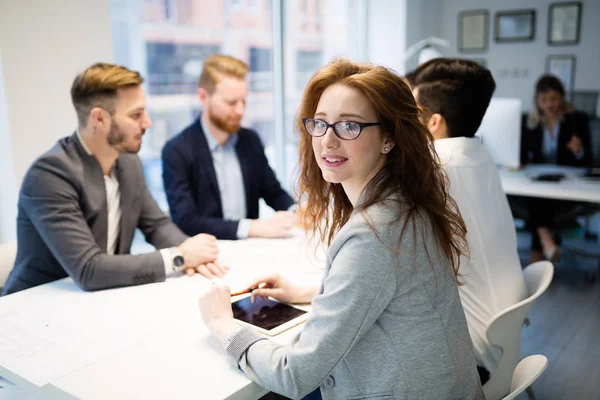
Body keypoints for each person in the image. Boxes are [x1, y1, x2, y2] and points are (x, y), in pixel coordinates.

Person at [198, 58, 484, 400]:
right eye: (320, 123)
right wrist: (307, 292)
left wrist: (222, 325)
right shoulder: (407, 202)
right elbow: (384, 287)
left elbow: (294, 375)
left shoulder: (373, 233)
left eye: (349, 126)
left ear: (389, 138)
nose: (327, 141)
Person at [2, 63, 227, 296]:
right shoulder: (50, 174)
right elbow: (89, 269)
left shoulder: (128, 162)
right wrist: (180, 258)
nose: (147, 122)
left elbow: (156, 225)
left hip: (98, 298)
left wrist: (192, 253)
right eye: (135, 115)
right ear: (99, 118)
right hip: (34, 305)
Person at [409, 58, 528, 382]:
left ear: (433, 122)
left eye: (411, 110)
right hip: (505, 340)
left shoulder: (437, 173)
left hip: (472, 361)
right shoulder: (479, 156)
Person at [162, 54, 297, 240]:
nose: (240, 110)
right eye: (231, 103)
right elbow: (186, 220)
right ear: (203, 97)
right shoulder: (177, 150)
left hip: (252, 250)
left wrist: (296, 210)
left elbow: (272, 191)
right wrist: (252, 228)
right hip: (207, 254)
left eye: (243, 101)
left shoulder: (250, 140)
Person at [514, 74, 593, 262]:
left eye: (554, 99)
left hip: (566, 185)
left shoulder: (577, 119)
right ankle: (546, 243)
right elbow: (522, 155)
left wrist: (579, 150)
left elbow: (588, 159)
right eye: (544, 100)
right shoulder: (530, 121)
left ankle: (539, 250)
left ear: (562, 97)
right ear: (537, 101)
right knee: (532, 198)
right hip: (538, 182)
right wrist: (517, 160)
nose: (549, 105)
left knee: (539, 203)